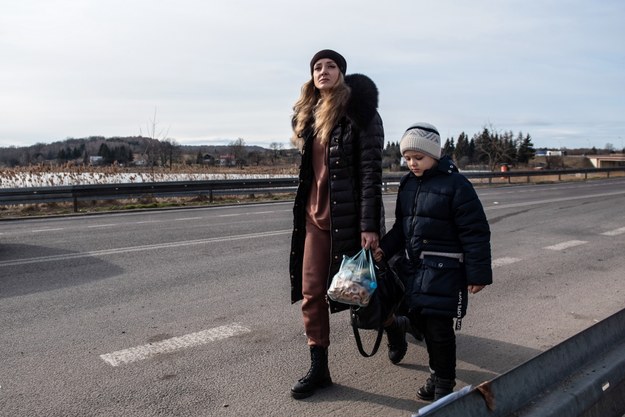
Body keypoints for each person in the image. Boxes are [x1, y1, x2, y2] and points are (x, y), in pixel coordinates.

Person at [289, 49, 407, 399]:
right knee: (312, 294)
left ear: (342, 72)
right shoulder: (307, 115)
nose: (322, 71)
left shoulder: (361, 114)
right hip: (313, 221)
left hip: (351, 221)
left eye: (330, 66)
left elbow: (371, 172)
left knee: (360, 294)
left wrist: (369, 225)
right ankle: (319, 368)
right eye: (316, 67)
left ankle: (394, 327)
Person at [374, 122, 492, 401]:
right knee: (423, 326)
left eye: (418, 158)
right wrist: (384, 249)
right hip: (413, 270)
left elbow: (475, 232)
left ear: (435, 155)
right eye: (407, 158)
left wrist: (478, 274)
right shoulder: (407, 184)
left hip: (445, 271)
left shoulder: (457, 185)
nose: (412, 163)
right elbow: (402, 227)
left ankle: (443, 384)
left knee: (439, 330)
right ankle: (436, 373)